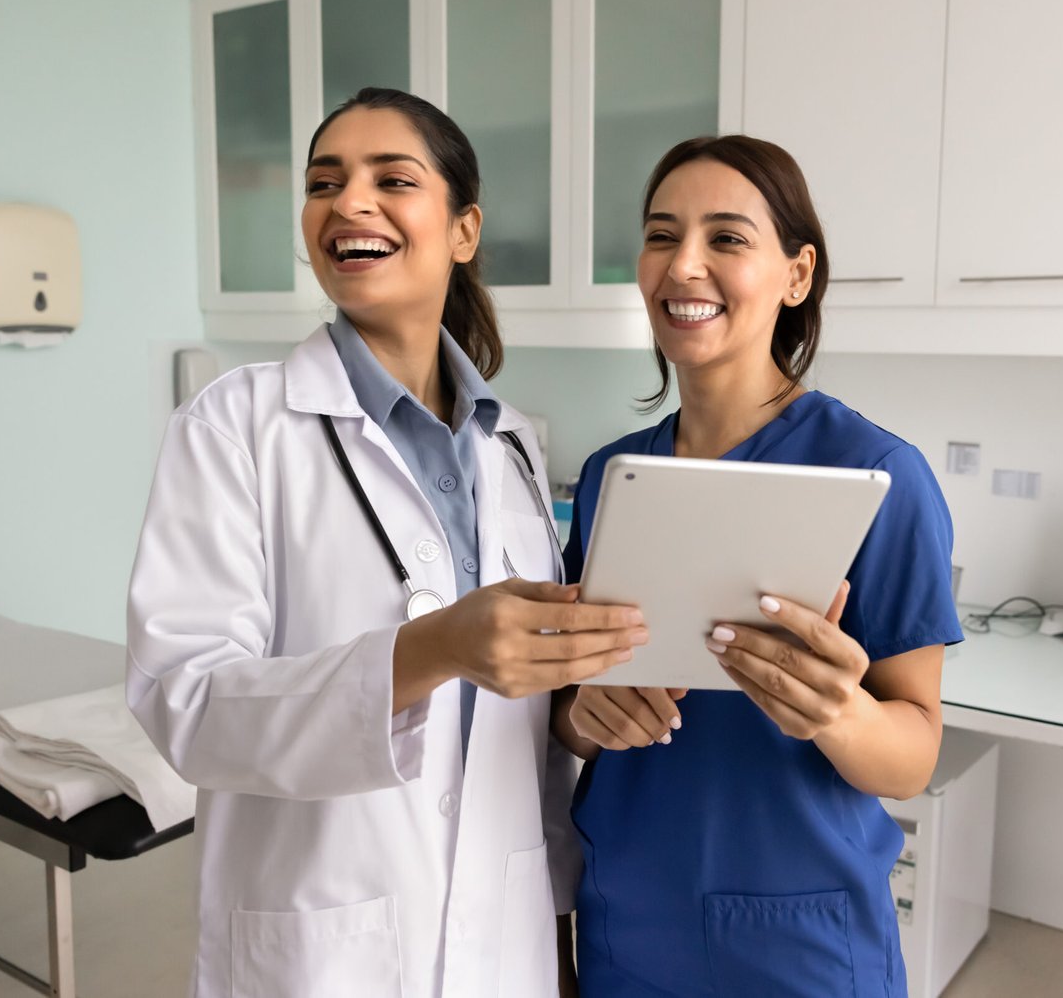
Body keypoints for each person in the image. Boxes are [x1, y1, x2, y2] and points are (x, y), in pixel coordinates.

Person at [127, 87, 644, 998]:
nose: (347, 202)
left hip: (508, 926)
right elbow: (186, 702)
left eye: (390, 179)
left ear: (463, 229)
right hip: (325, 935)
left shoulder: (512, 442)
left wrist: (584, 711)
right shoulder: (236, 425)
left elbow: (527, 726)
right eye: (325, 182)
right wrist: (432, 649)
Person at [552, 135, 962, 997]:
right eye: (662, 235)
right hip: (627, 916)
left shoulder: (879, 477)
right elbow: (569, 711)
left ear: (797, 274)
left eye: (727, 239)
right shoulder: (609, 477)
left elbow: (914, 753)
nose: (683, 265)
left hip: (797, 937)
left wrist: (838, 714)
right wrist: (586, 715)